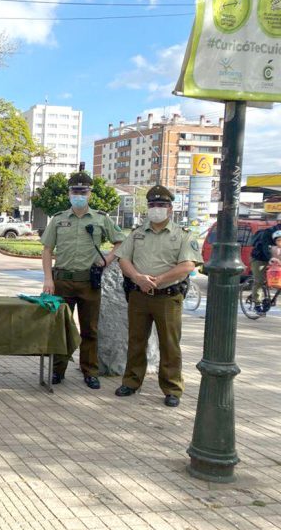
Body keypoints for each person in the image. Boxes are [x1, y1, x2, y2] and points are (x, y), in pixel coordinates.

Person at [114, 185, 202, 408]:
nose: (156, 209)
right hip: (139, 295)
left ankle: (172, 388)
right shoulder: (137, 233)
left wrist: (159, 280)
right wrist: (137, 278)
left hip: (167, 297)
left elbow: (187, 265)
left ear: (170, 209)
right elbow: (123, 259)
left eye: (161, 205)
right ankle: (131, 382)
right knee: (135, 341)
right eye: (152, 205)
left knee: (169, 344)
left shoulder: (182, 235)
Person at [40, 171, 125, 389]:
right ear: (69, 193)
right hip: (62, 281)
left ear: (90, 194)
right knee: (60, 329)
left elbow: (121, 242)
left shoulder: (101, 218)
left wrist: (107, 260)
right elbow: (47, 249)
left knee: (90, 330)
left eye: (83, 191)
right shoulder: (58, 219)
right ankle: (58, 370)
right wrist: (48, 279)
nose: (79, 195)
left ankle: (90, 371)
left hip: (89, 283)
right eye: (75, 191)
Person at [249, 222, 281, 309]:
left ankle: (268, 295)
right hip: (260, 258)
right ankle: (257, 303)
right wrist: (270, 258)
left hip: (277, 258)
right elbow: (265, 247)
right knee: (259, 280)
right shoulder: (269, 232)